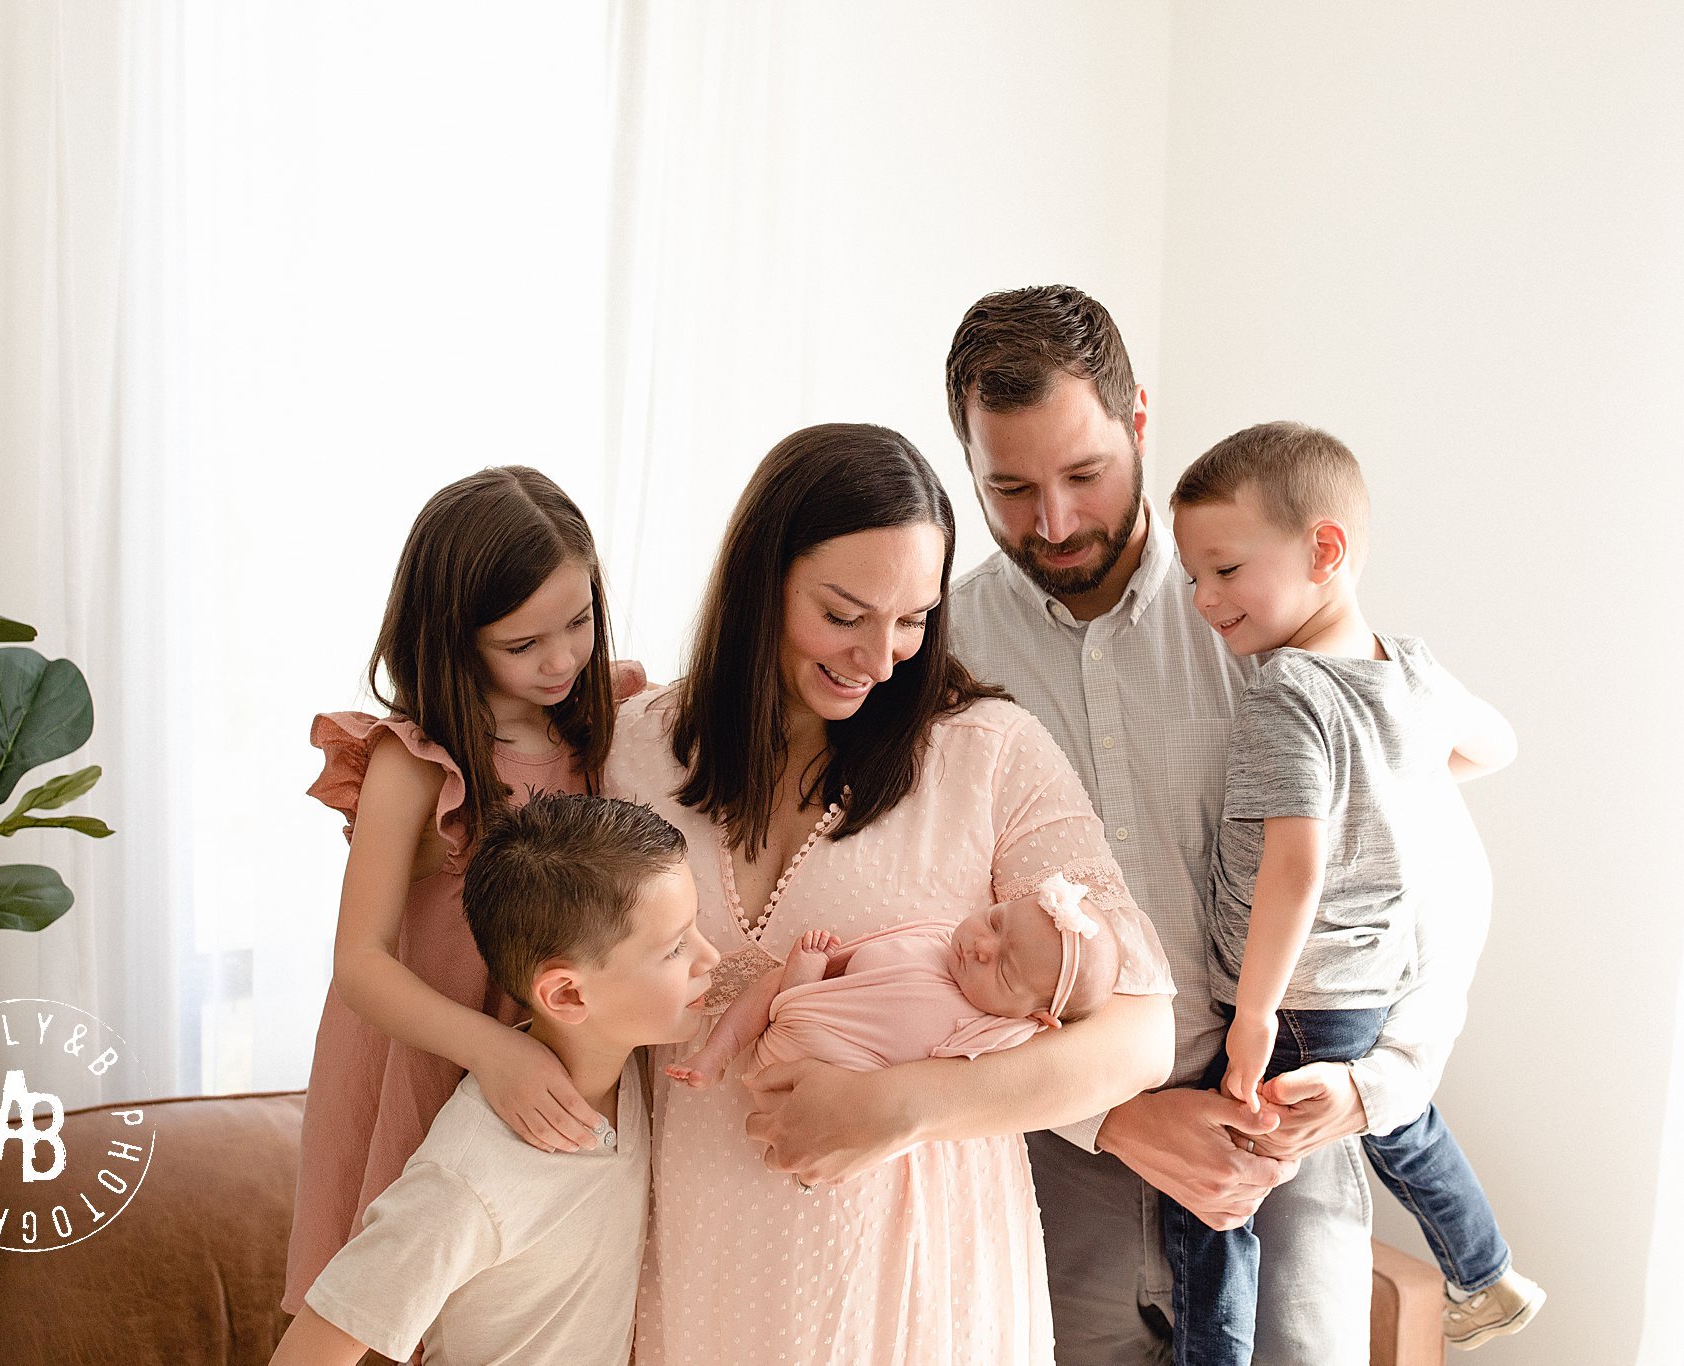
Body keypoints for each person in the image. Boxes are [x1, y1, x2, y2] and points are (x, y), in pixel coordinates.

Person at [946, 285, 1496, 1364]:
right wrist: (1105, 1119)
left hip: (1292, 1133)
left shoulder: (1274, 614)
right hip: (1057, 1159)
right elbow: (928, 932)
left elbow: (1435, 884)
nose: (1051, 523)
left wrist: (1377, 1082)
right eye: (1007, 487)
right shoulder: (945, 652)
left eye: (1083, 474)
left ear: (1137, 419)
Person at [605, 421, 1176, 1365]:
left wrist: (900, 1106)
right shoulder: (635, 750)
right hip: (691, 1249)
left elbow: (1139, 1033)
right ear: (762, 580)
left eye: (913, 619)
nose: (880, 659)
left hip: (918, 1280)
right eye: (844, 614)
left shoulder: (989, 752)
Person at [1162, 422, 1541, 1359]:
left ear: (1323, 550)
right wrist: (1401, 773)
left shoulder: (1287, 691)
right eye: (1193, 578)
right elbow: (1497, 746)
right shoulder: (1404, 671)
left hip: (1295, 997)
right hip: (1371, 987)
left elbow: (1295, 867)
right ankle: (1485, 1272)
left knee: (1214, 1201)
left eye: (1224, 570)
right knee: (1399, 1128)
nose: (1205, 601)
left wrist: (1251, 1016)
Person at [282, 466, 644, 1315]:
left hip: (562, 1064)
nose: (562, 660)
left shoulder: (614, 721)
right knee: (387, 1300)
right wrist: (494, 1049)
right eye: (522, 645)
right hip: (426, 1053)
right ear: (452, 638)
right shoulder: (416, 761)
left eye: (580, 621)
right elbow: (360, 963)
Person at [269, 793, 722, 1366]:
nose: (710, 957)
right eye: (677, 946)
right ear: (568, 995)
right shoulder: (466, 1180)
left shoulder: (633, 1077)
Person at [665, 871, 1118, 1087]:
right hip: (804, 1008)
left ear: (1037, 1015)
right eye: (996, 922)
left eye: (1004, 969)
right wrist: (817, 965)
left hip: (837, 1074)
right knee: (781, 976)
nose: (983, 947)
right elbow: (847, 964)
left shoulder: (1001, 1034)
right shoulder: (935, 938)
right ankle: (716, 1054)